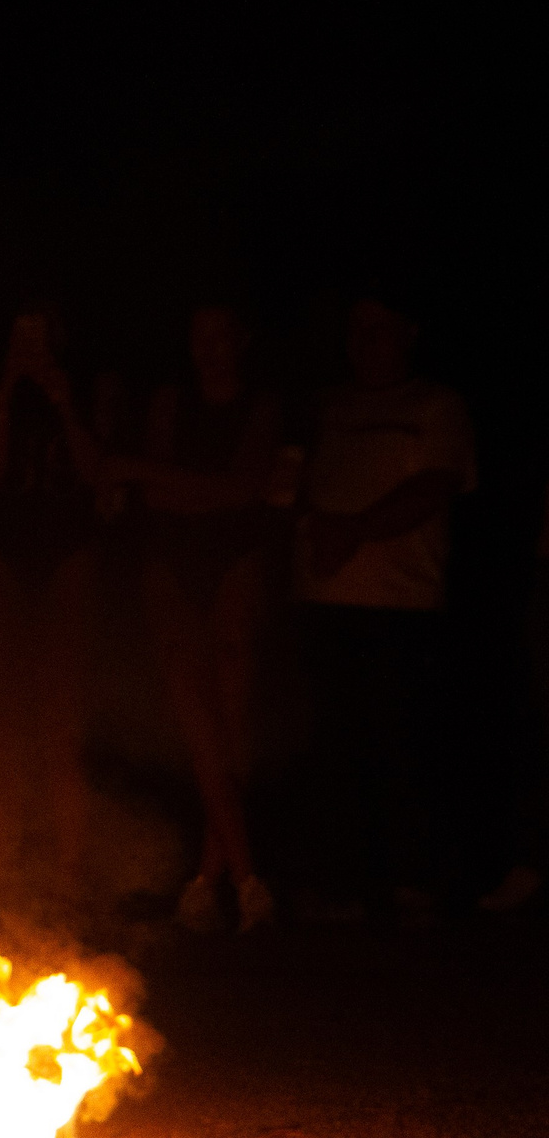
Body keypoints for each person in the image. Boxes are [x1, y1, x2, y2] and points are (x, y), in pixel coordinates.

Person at [98, 304, 287, 932]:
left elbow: (244, 488)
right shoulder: (169, 403)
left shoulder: (262, 406)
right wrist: (198, 486)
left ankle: (215, 878)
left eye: (221, 335)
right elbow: (158, 493)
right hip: (172, 561)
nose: (210, 348)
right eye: (198, 335)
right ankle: (244, 877)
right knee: (194, 711)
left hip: (236, 556)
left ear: (243, 338)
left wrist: (168, 479)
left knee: (228, 714)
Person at [293, 289, 477, 924]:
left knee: (403, 743)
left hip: (403, 601)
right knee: (335, 746)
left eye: (377, 331)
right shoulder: (329, 405)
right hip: (324, 597)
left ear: (407, 334)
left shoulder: (436, 405)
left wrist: (355, 530)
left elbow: (436, 483)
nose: (363, 344)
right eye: (355, 332)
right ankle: (341, 883)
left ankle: (414, 883)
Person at [0, 304, 105, 902]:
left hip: (68, 548)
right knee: (3, 715)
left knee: (60, 714)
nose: (31, 342)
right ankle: (3, 861)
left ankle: (70, 871)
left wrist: (66, 403)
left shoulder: (94, 385)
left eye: (41, 329)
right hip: (2, 548)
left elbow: (96, 470)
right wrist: (3, 397)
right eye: (20, 330)